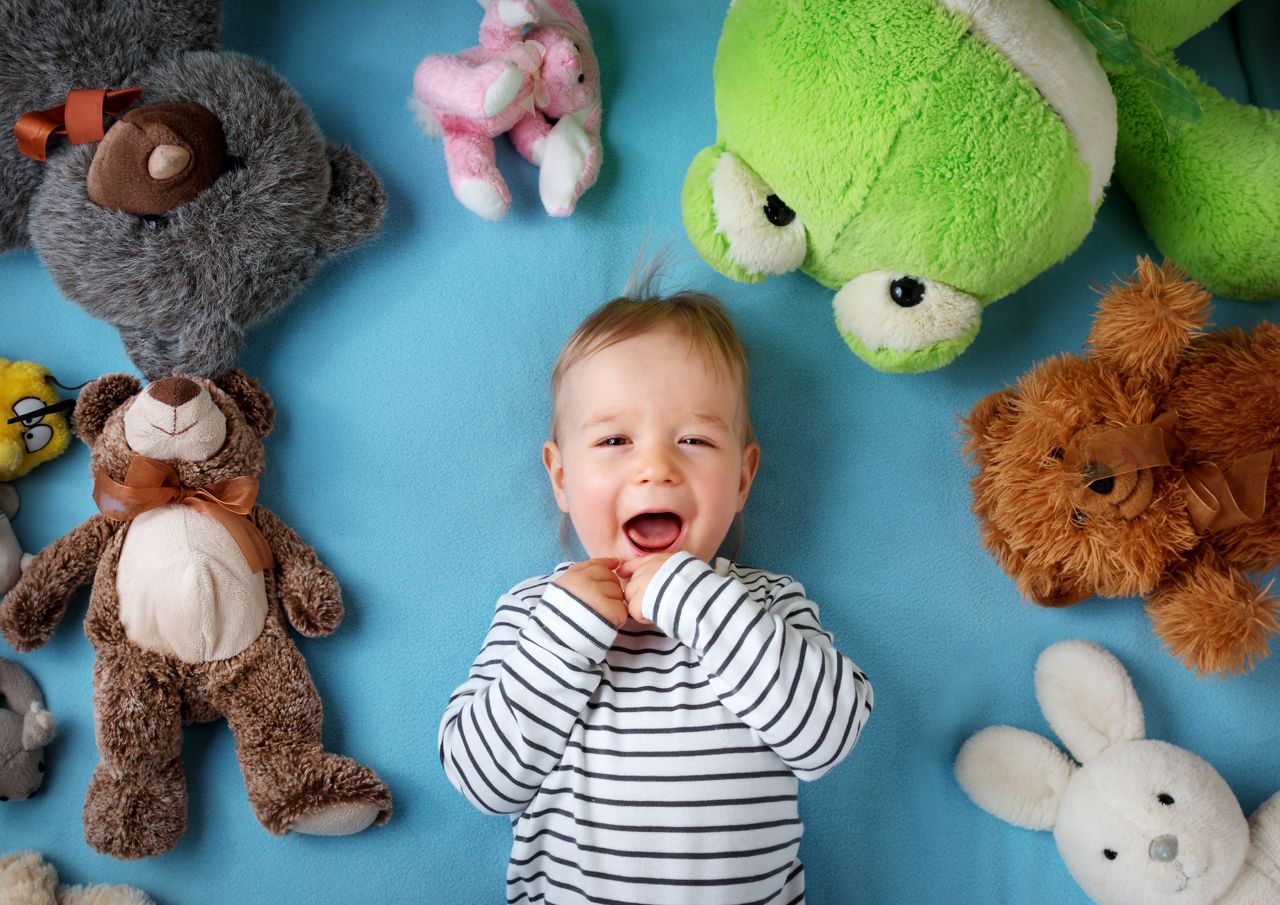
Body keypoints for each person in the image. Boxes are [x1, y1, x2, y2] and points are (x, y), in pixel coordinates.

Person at [439, 276, 873, 905]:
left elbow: (826, 739)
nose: (657, 468)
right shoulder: (537, 614)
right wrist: (567, 634)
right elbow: (483, 782)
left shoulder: (767, 606)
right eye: (614, 441)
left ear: (743, 477)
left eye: (694, 440)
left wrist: (692, 598)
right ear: (561, 476)